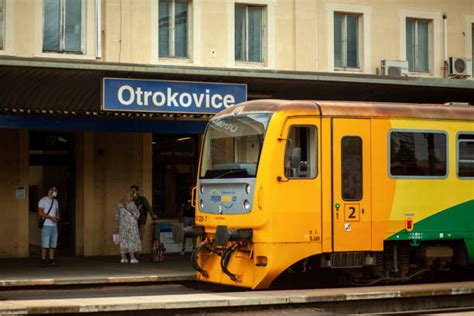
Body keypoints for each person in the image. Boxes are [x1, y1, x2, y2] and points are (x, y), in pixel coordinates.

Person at [115, 192, 142, 263]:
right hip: (131, 226)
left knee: (123, 241)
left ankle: (123, 258)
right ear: (130, 197)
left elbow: (117, 216)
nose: (133, 198)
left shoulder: (119, 204)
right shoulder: (132, 204)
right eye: (132, 197)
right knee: (131, 241)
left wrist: (117, 226)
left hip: (123, 226)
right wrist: (138, 209)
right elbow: (137, 215)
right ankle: (132, 258)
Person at [38, 185, 60, 267]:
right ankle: (43, 260)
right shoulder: (43, 200)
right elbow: (40, 213)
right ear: (49, 190)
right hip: (46, 225)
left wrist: (57, 217)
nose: (55, 192)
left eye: (56, 190)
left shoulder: (56, 201)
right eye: (53, 190)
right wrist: (51, 218)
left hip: (54, 225)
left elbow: (58, 212)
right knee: (45, 244)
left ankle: (51, 260)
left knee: (53, 244)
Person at [179, 187, 195, 255]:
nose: (191, 191)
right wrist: (181, 217)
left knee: (194, 233)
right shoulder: (185, 197)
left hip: (193, 217)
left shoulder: (196, 197)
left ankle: (194, 248)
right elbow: (182, 207)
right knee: (185, 233)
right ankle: (183, 248)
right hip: (186, 217)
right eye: (190, 189)